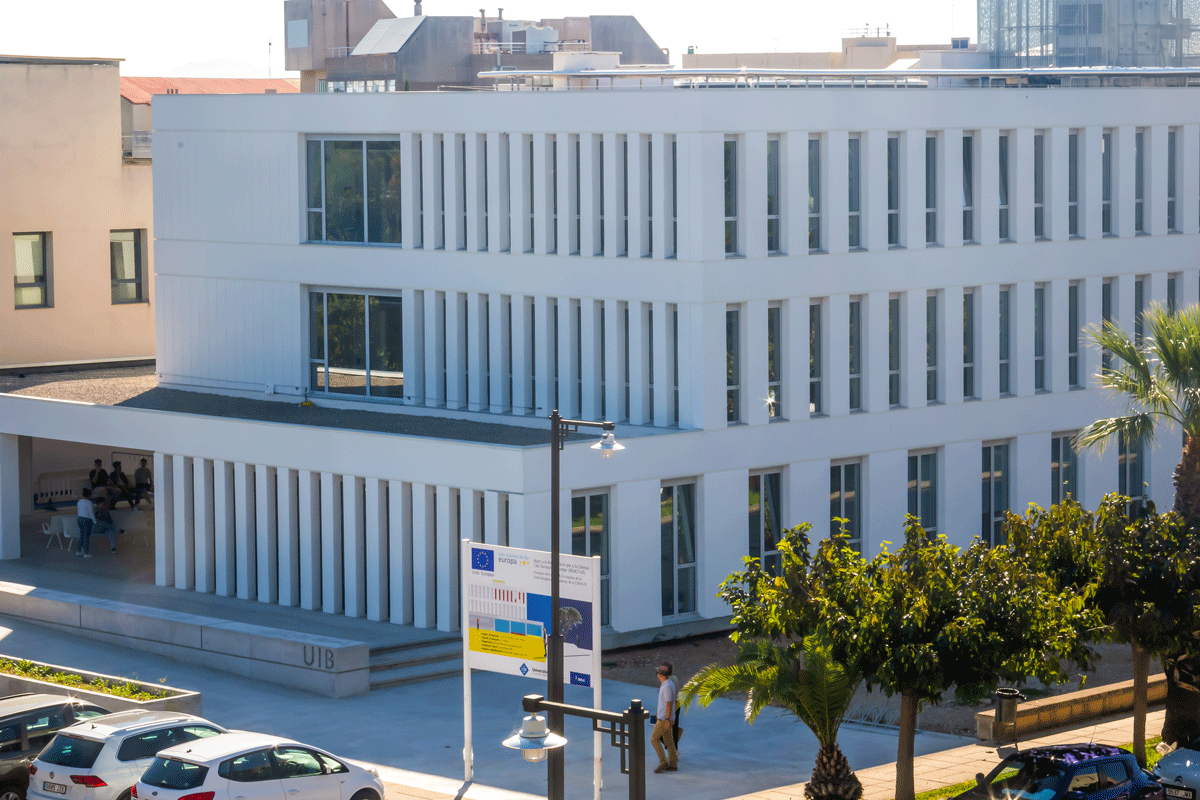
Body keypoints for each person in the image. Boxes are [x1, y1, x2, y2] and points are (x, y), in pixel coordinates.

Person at [651, 662, 679, 774]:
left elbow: (668, 703)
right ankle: (673, 764)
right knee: (669, 741)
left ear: (660, 675)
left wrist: (666, 719)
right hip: (665, 717)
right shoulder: (667, 683)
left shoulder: (667, 686)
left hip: (664, 719)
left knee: (654, 739)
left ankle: (663, 762)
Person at [75, 488, 95, 558]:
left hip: (80, 519)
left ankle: (78, 551)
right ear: (89, 495)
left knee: (81, 535)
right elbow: (91, 513)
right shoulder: (89, 502)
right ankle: (86, 553)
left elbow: (78, 511)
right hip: (87, 520)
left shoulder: (79, 502)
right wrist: (94, 521)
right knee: (86, 537)